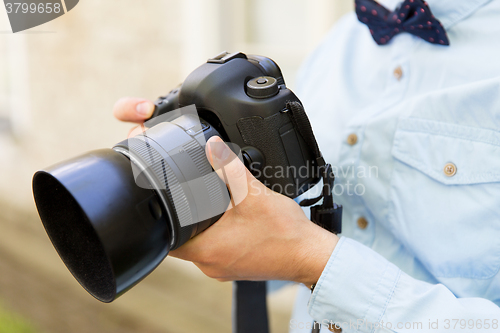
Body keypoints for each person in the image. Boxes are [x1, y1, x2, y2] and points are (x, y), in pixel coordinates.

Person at [112, 0, 500, 331]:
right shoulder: (339, 43)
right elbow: (292, 220)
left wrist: (311, 259)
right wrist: (200, 172)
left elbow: (303, 249)